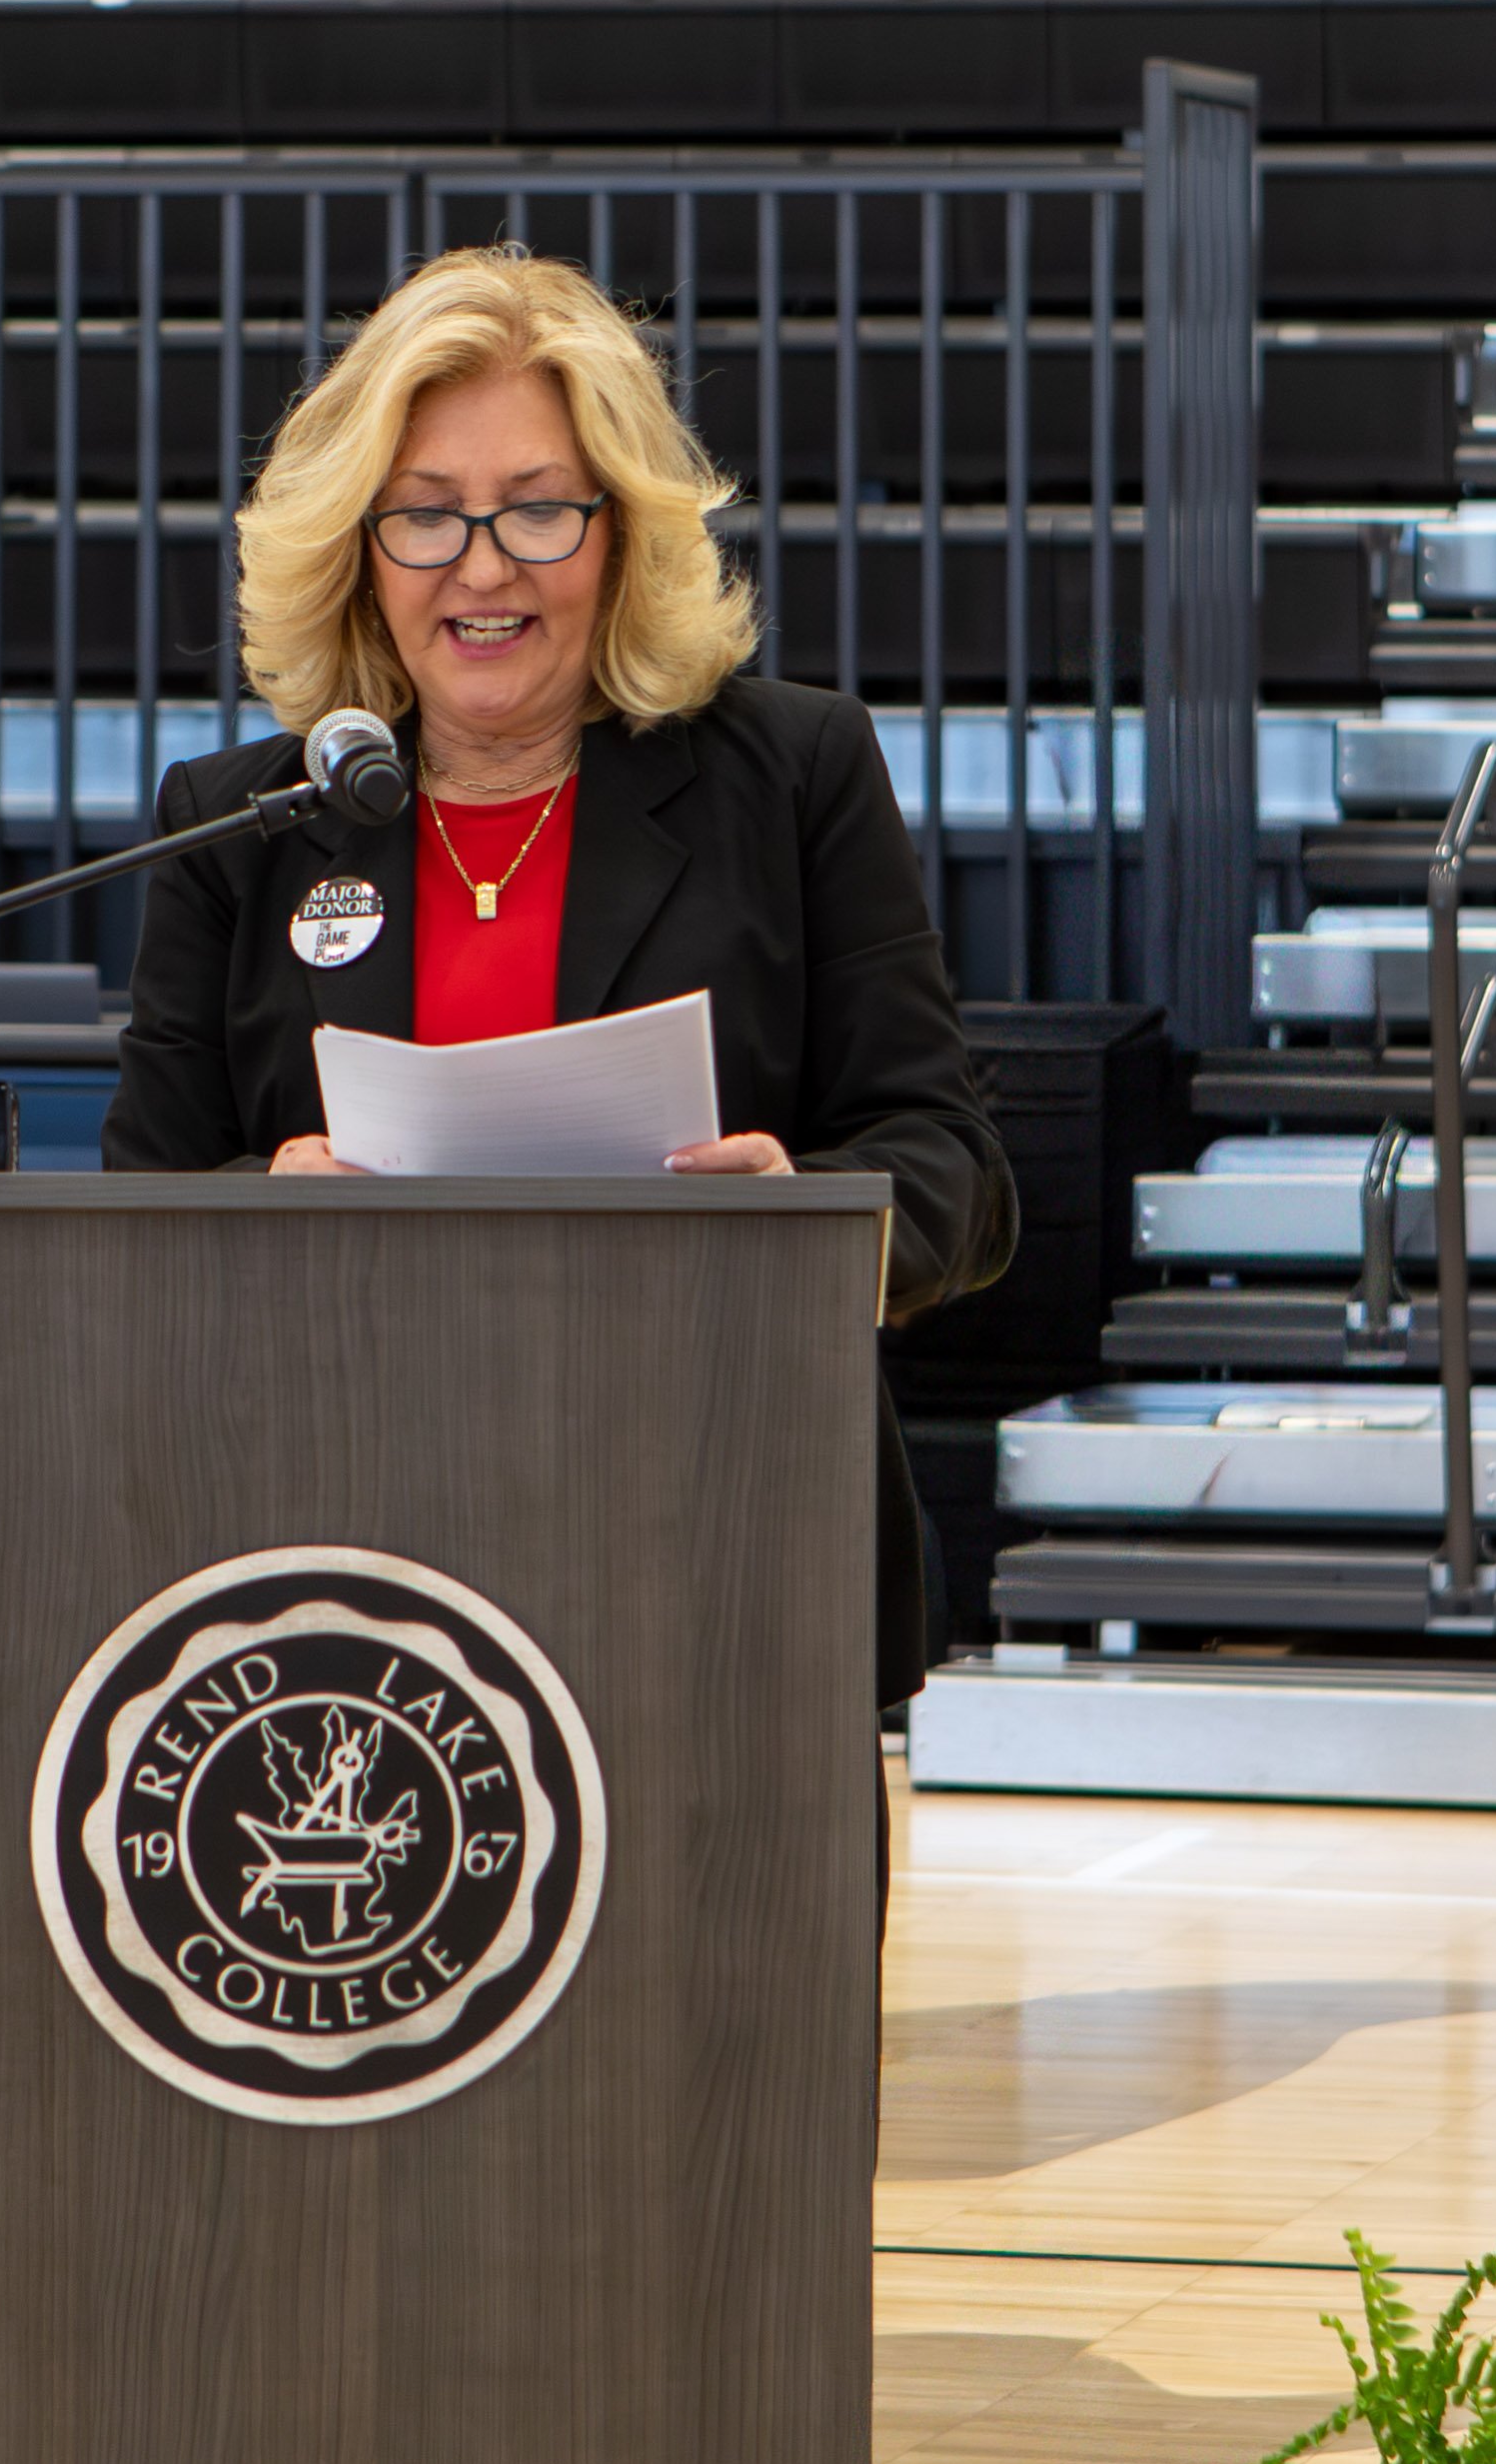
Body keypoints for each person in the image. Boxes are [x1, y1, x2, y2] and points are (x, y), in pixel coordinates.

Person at [103, 243, 1013, 1708]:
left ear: (621, 532)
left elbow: (953, 1167)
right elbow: (141, 1202)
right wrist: (259, 1216)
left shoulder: (793, 776)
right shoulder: (247, 820)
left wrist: (805, 1222)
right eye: (426, 518)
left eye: (538, 510)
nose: (482, 566)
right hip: (333, 1570)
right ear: (354, 545)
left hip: (717, 1548)